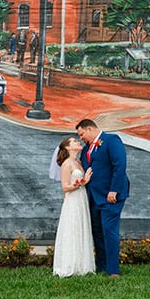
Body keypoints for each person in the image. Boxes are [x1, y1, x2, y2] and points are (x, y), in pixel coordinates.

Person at [76, 119, 130, 277]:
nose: (81, 138)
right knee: (97, 231)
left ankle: (113, 270)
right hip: (93, 197)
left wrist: (114, 189)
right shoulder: (86, 149)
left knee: (109, 231)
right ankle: (101, 265)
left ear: (90, 129)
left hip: (110, 196)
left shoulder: (111, 140)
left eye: (82, 134)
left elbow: (119, 165)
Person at [52, 137, 95, 277]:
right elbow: (65, 187)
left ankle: (82, 264)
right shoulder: (67, 164)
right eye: (74, 142)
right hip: (73, 200)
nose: (78, 142)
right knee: (73, 228)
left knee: (81, 226)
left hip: (81, 198)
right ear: (68, 148)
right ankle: (70, 264)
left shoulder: (78, 162)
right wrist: (84, 181)